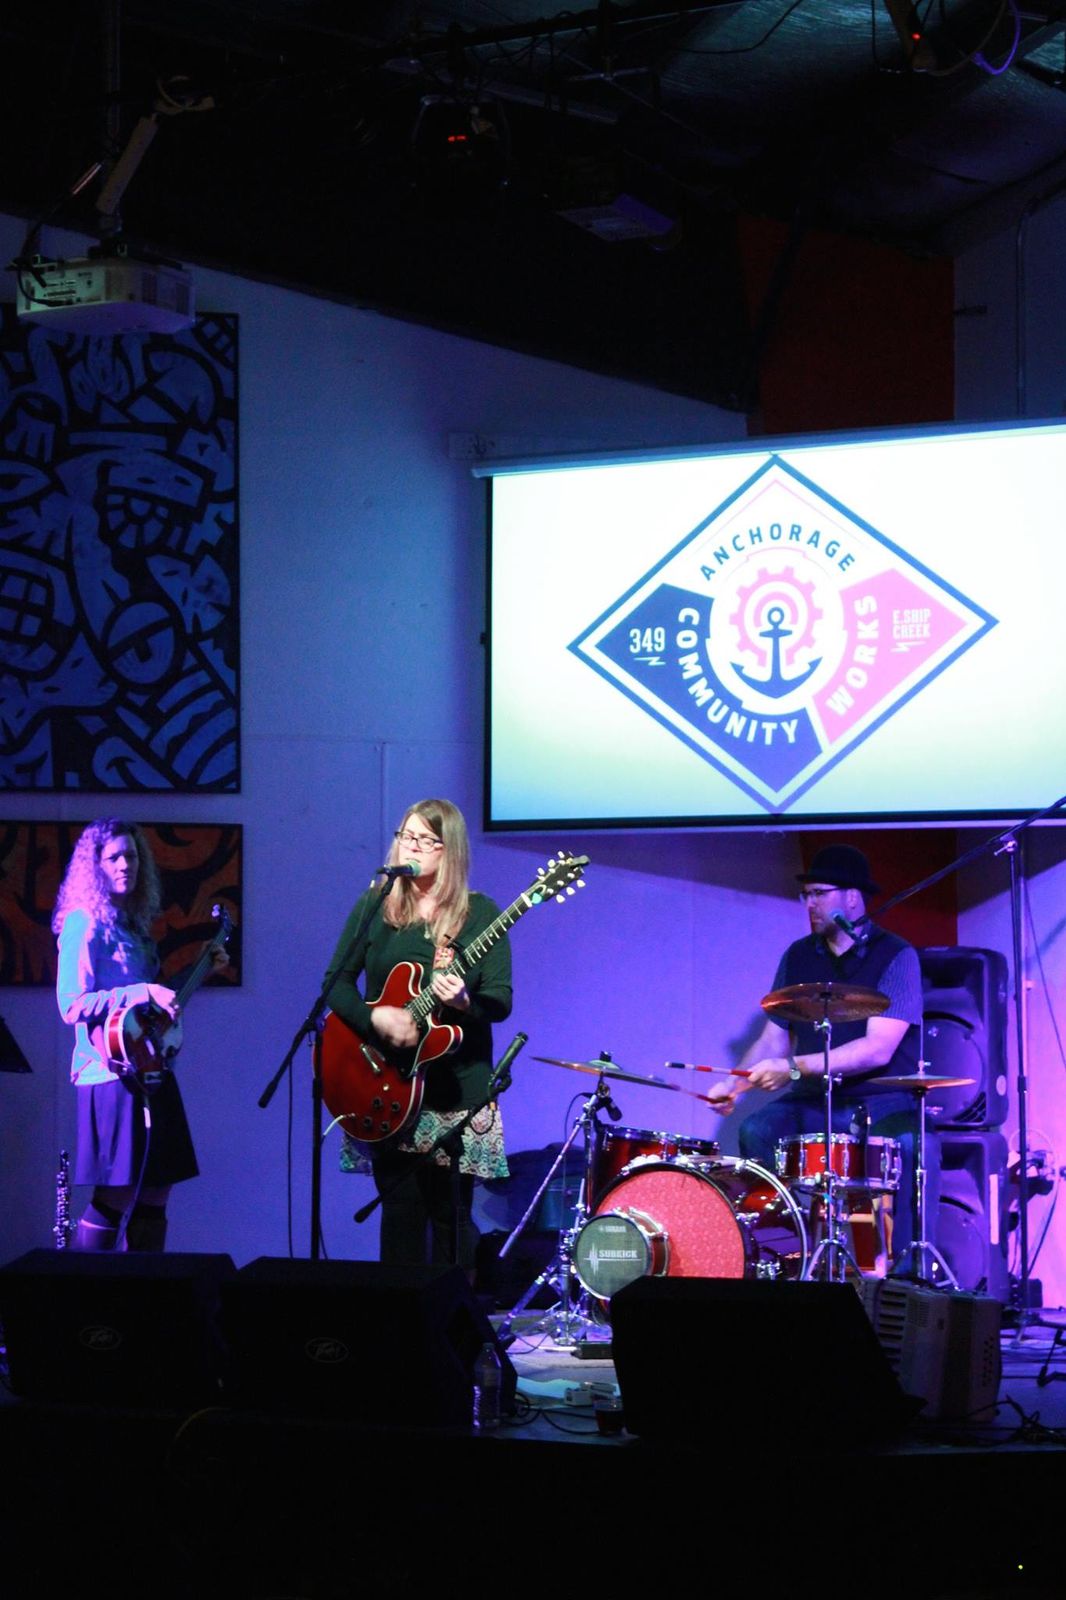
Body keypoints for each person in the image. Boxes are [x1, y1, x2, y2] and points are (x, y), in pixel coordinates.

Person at [713, 844, 931, 1265]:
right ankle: (783, 1254)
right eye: (806, 895)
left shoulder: (895, 954)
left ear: (852, 897)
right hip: (815, 1099)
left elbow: (877, 1050)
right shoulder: (798, 956)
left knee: (913, 1145)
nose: (810, 904)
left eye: (819, 893)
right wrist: (734, 1085)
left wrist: (793, 1068)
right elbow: (772, 1040)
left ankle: (907, 1271)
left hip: (880, 1100)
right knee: (758, 1130)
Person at [325, 799, 512, 1270]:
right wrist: (375, 1019)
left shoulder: (480, 914)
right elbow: (335, 984)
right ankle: (400, 1318)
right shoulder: (376, 906)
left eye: (426, 840)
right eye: (407, 836)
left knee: (452, 1220)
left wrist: (465, 1003)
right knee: (400, 1216)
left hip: (455, 1092)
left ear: (450, 851)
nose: (412, 847)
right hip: (386, 1084)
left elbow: (500, 1001)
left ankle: (458, 1317)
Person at [53, 819, 207, 1251]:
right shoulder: (84, 924)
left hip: (149, 1067)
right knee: (116, 1191)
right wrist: (142, 991)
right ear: (96, 866)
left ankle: (145, 1285)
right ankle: (85, 1285)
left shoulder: (132, 926)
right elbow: (71, 1005)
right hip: (110, 1074)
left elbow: (147, 1011)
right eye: (115, 857)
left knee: (159, 1185)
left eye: (132, 856)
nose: (125, 865)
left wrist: (199, 970)